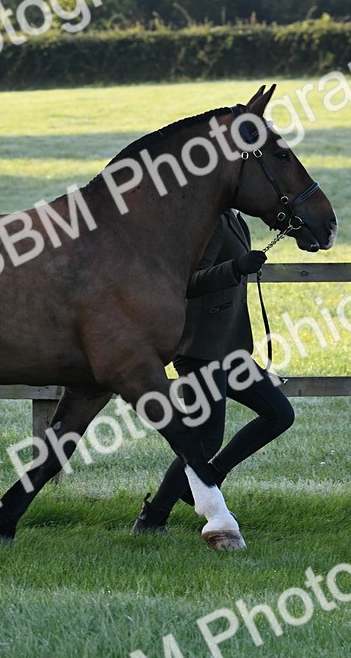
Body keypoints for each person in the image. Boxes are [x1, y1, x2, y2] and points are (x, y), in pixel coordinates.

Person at [131, 208, 295, 535]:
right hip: (200, 349)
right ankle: (152, 519)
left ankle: (211, 478)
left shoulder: (234, 218)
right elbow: (188, 281)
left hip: (230, 350)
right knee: (204, 440)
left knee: (279, 414)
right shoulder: (207, 219)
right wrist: (235, 267)